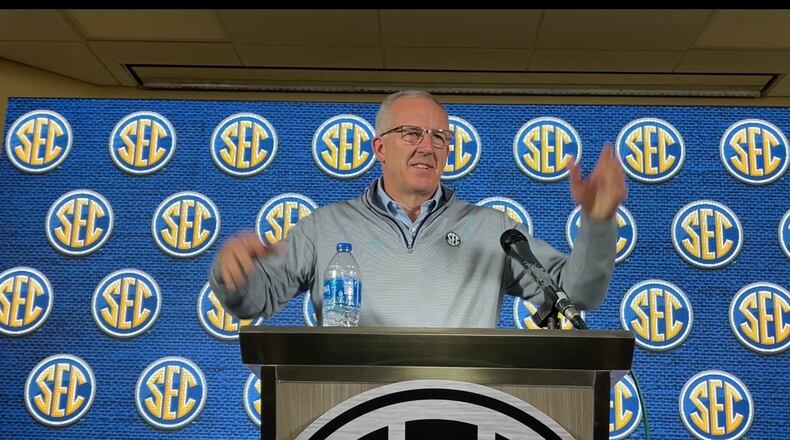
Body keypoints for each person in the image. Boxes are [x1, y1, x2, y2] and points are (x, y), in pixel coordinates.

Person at [208, 90, 627, 328]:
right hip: (350, 411)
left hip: (467, 410)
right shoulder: (323, 227)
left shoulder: (493, 229)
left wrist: (600, 221)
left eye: (440, 137)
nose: (428, 146)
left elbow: (575, 295)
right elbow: (252, 301)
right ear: (379, 148)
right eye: (411, 133)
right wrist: (234, 274)